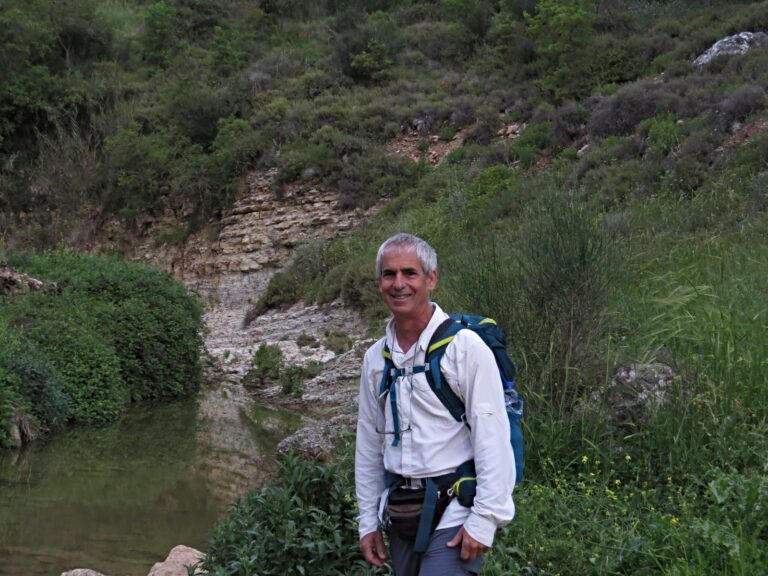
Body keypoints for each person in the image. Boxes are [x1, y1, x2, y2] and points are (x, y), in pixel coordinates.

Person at [355, 233, 515, 576]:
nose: (399, 284)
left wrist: (485, 519)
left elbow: (493, 434)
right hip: (401, 511)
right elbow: (369, 443)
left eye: (410, 273)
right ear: (379, 282)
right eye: (389, 274)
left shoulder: (465, 348)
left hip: (455, 509)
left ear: (432, 278)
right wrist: (367, 520)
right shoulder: (375, 360)